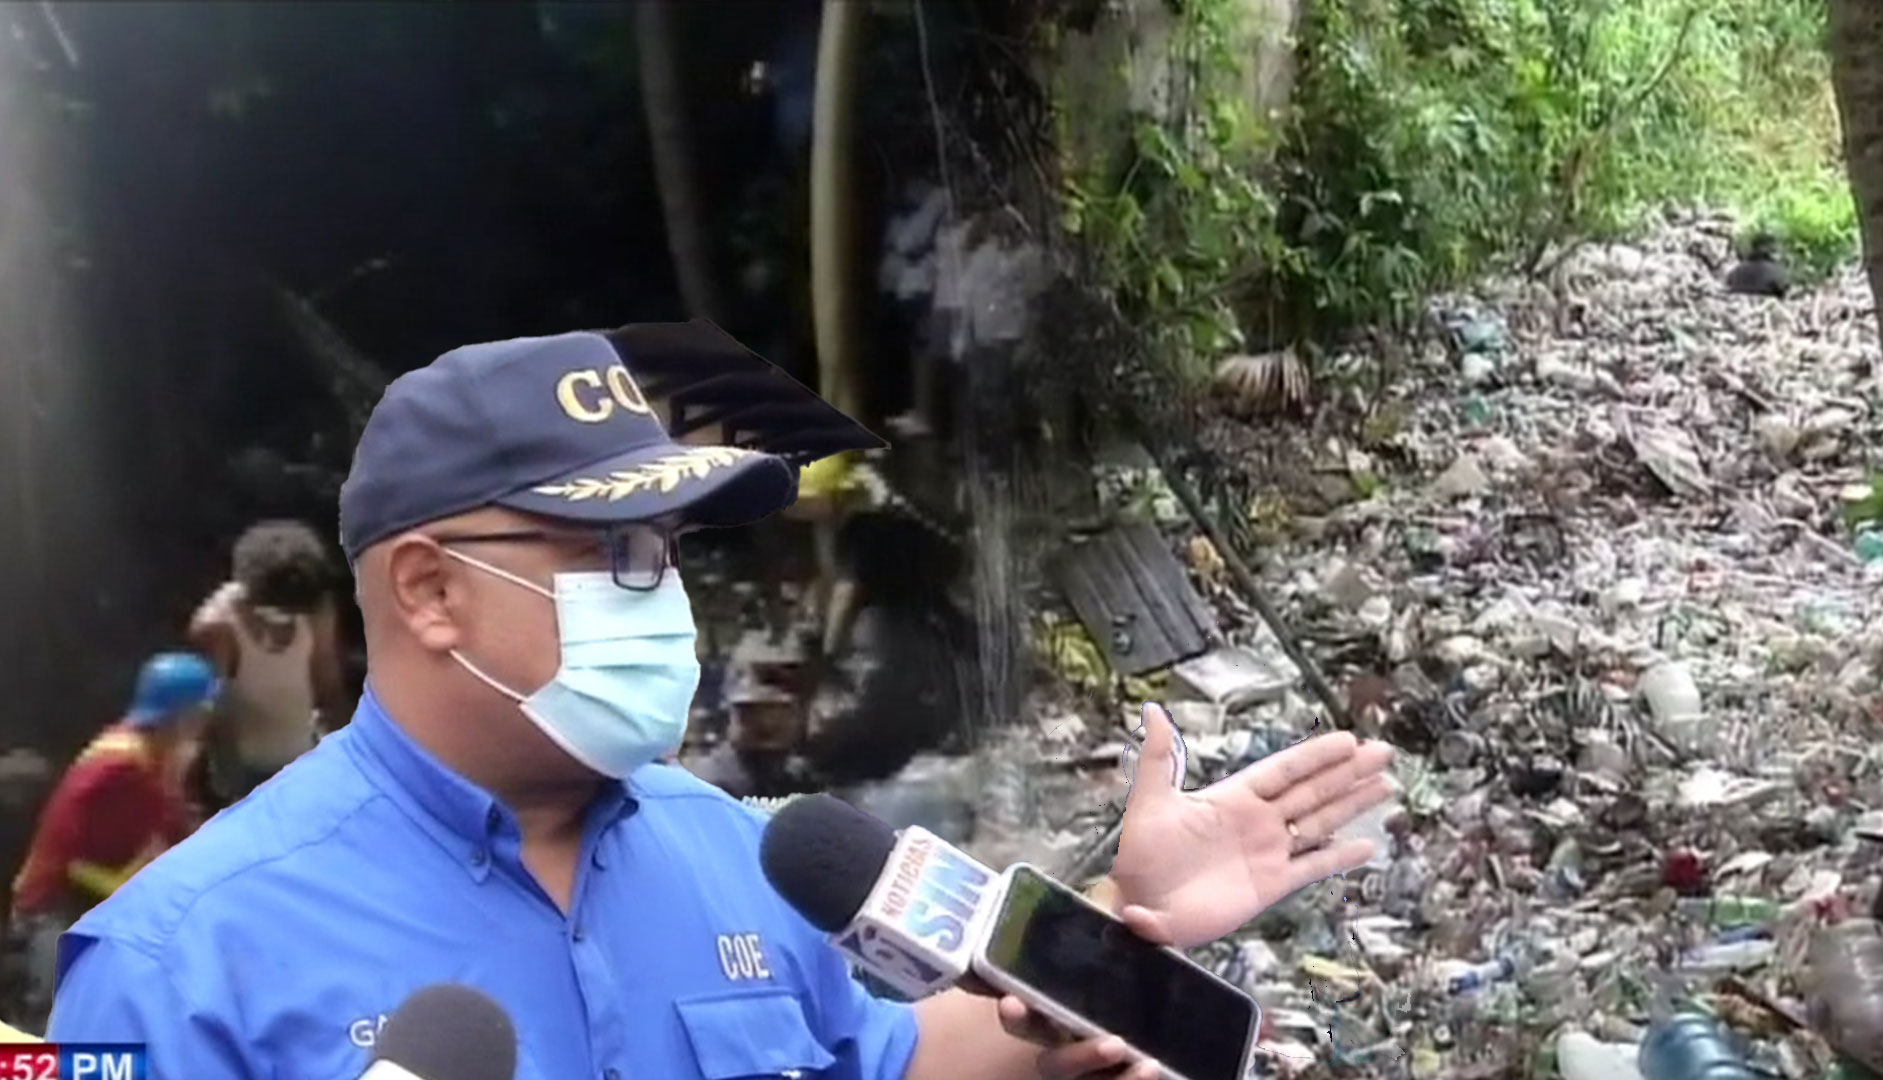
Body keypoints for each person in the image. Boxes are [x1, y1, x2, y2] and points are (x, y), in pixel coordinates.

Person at [48, 323, 1396, 1080]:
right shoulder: (178, 966)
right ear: (429, 591)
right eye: (614, 554)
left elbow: (894, 1061)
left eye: (674, 554)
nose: (666, 597)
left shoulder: (753, 857)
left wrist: (1105, 945)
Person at [7, 652, 215, 1034]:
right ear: (185, 717)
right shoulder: (125, 771)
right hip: (57, 917)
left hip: (87, 910)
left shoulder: (142, 753)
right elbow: (84, 871)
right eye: (201, 715)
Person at [186, 519, 350, 809]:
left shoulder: (315, 607)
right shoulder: (217, 628)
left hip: (306, 760)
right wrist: (230, 793)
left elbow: (328, 685)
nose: (285, 618)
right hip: (247, 776)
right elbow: (212, 715)